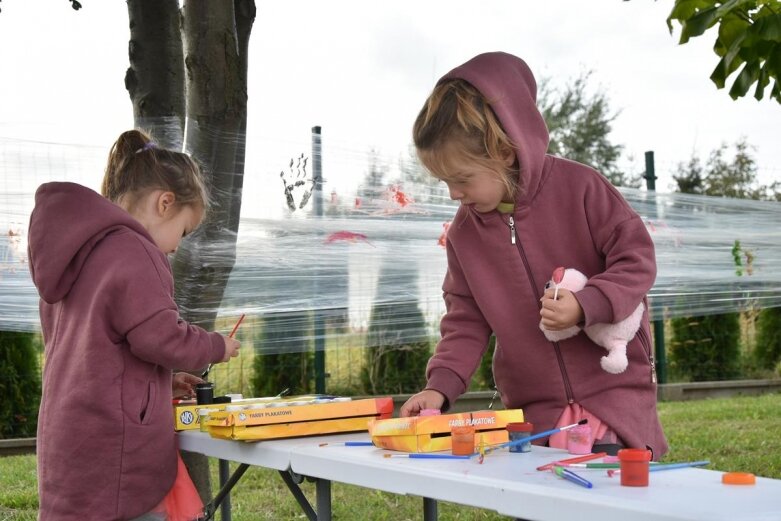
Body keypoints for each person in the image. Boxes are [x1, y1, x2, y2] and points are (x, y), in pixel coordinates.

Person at [399, 52, 668, 459]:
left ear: (505, 152)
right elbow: (465, 319)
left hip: (612, 394)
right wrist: (440, 385)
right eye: (444, 182)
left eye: (462, 179)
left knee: (608, 499)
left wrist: (587, 304)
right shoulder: (464, 235)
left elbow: (637, 259)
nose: (454, 193)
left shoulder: (581, 188)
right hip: (535, 411)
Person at [28, 129, 241, 520]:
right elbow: (160, 336)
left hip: (69, 443)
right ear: (165, 203)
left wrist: (159, 383)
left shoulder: (74, 253)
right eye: (184, 230)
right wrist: (215, 346)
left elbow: (99, 352)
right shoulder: (134, 249)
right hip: (115, 455)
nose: (177, 246)